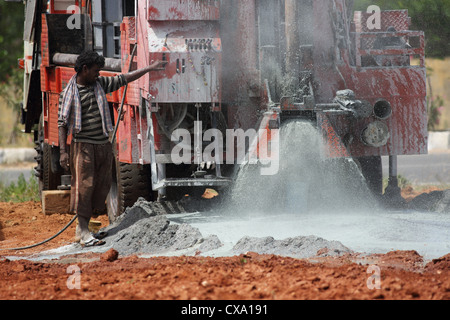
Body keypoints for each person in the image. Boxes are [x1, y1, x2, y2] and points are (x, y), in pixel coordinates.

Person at [58, 50, 166, 247]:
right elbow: (62, 123)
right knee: (85, 188)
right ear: (85, 69)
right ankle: (83, 232)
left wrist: (149, 68)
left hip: (102, 146)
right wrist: (64, 152)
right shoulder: (68, 94)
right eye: (96, 71)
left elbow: (123, 79)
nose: (99, 74)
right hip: (83, 148)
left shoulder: (99, 85)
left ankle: (83, 229)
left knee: (101, 188)